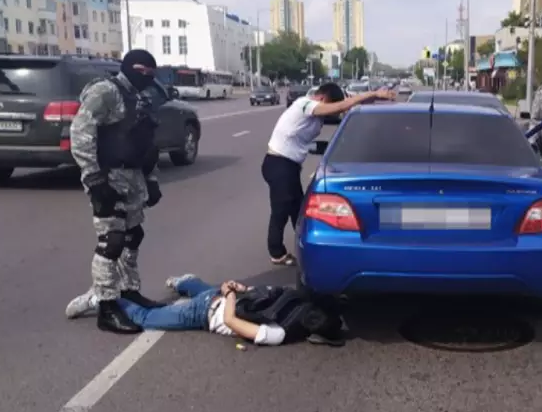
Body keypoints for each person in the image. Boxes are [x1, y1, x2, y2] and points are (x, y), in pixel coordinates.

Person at [67, 49, 167, 335]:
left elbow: (147, 144)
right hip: (107, 176)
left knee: (134, 235)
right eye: (142, 71)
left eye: (151, 73)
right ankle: (107, 306)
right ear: (128, 68)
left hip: (133, 177)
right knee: (111, 241)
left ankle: (128, 291)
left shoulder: (141, 97)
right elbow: (81, 134)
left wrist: (152, 179)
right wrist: (94, 179)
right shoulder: (105, 92)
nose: (147, 77)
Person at [262, 83, 396, 266]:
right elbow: (341, 106)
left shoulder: (315, 115)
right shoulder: (304, 104)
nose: (329, 113)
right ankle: (276, 252)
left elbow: (348, 106)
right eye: (329, 106)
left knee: (297, 209)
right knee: (281, 209)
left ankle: (305, 245)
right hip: (278, 163)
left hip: (289, 166)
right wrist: (373, 93)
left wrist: (375, 98)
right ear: (323, 98)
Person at [65, 275, 346, 346]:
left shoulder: (295, 298)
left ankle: (185, 282)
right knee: (146, 318)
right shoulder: (280, 333)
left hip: (215, 298)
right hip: (206, 312)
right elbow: (230, 321)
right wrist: (233, 293)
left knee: (201, 291)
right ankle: (102, 298)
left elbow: (261, 294)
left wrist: (234, 289)